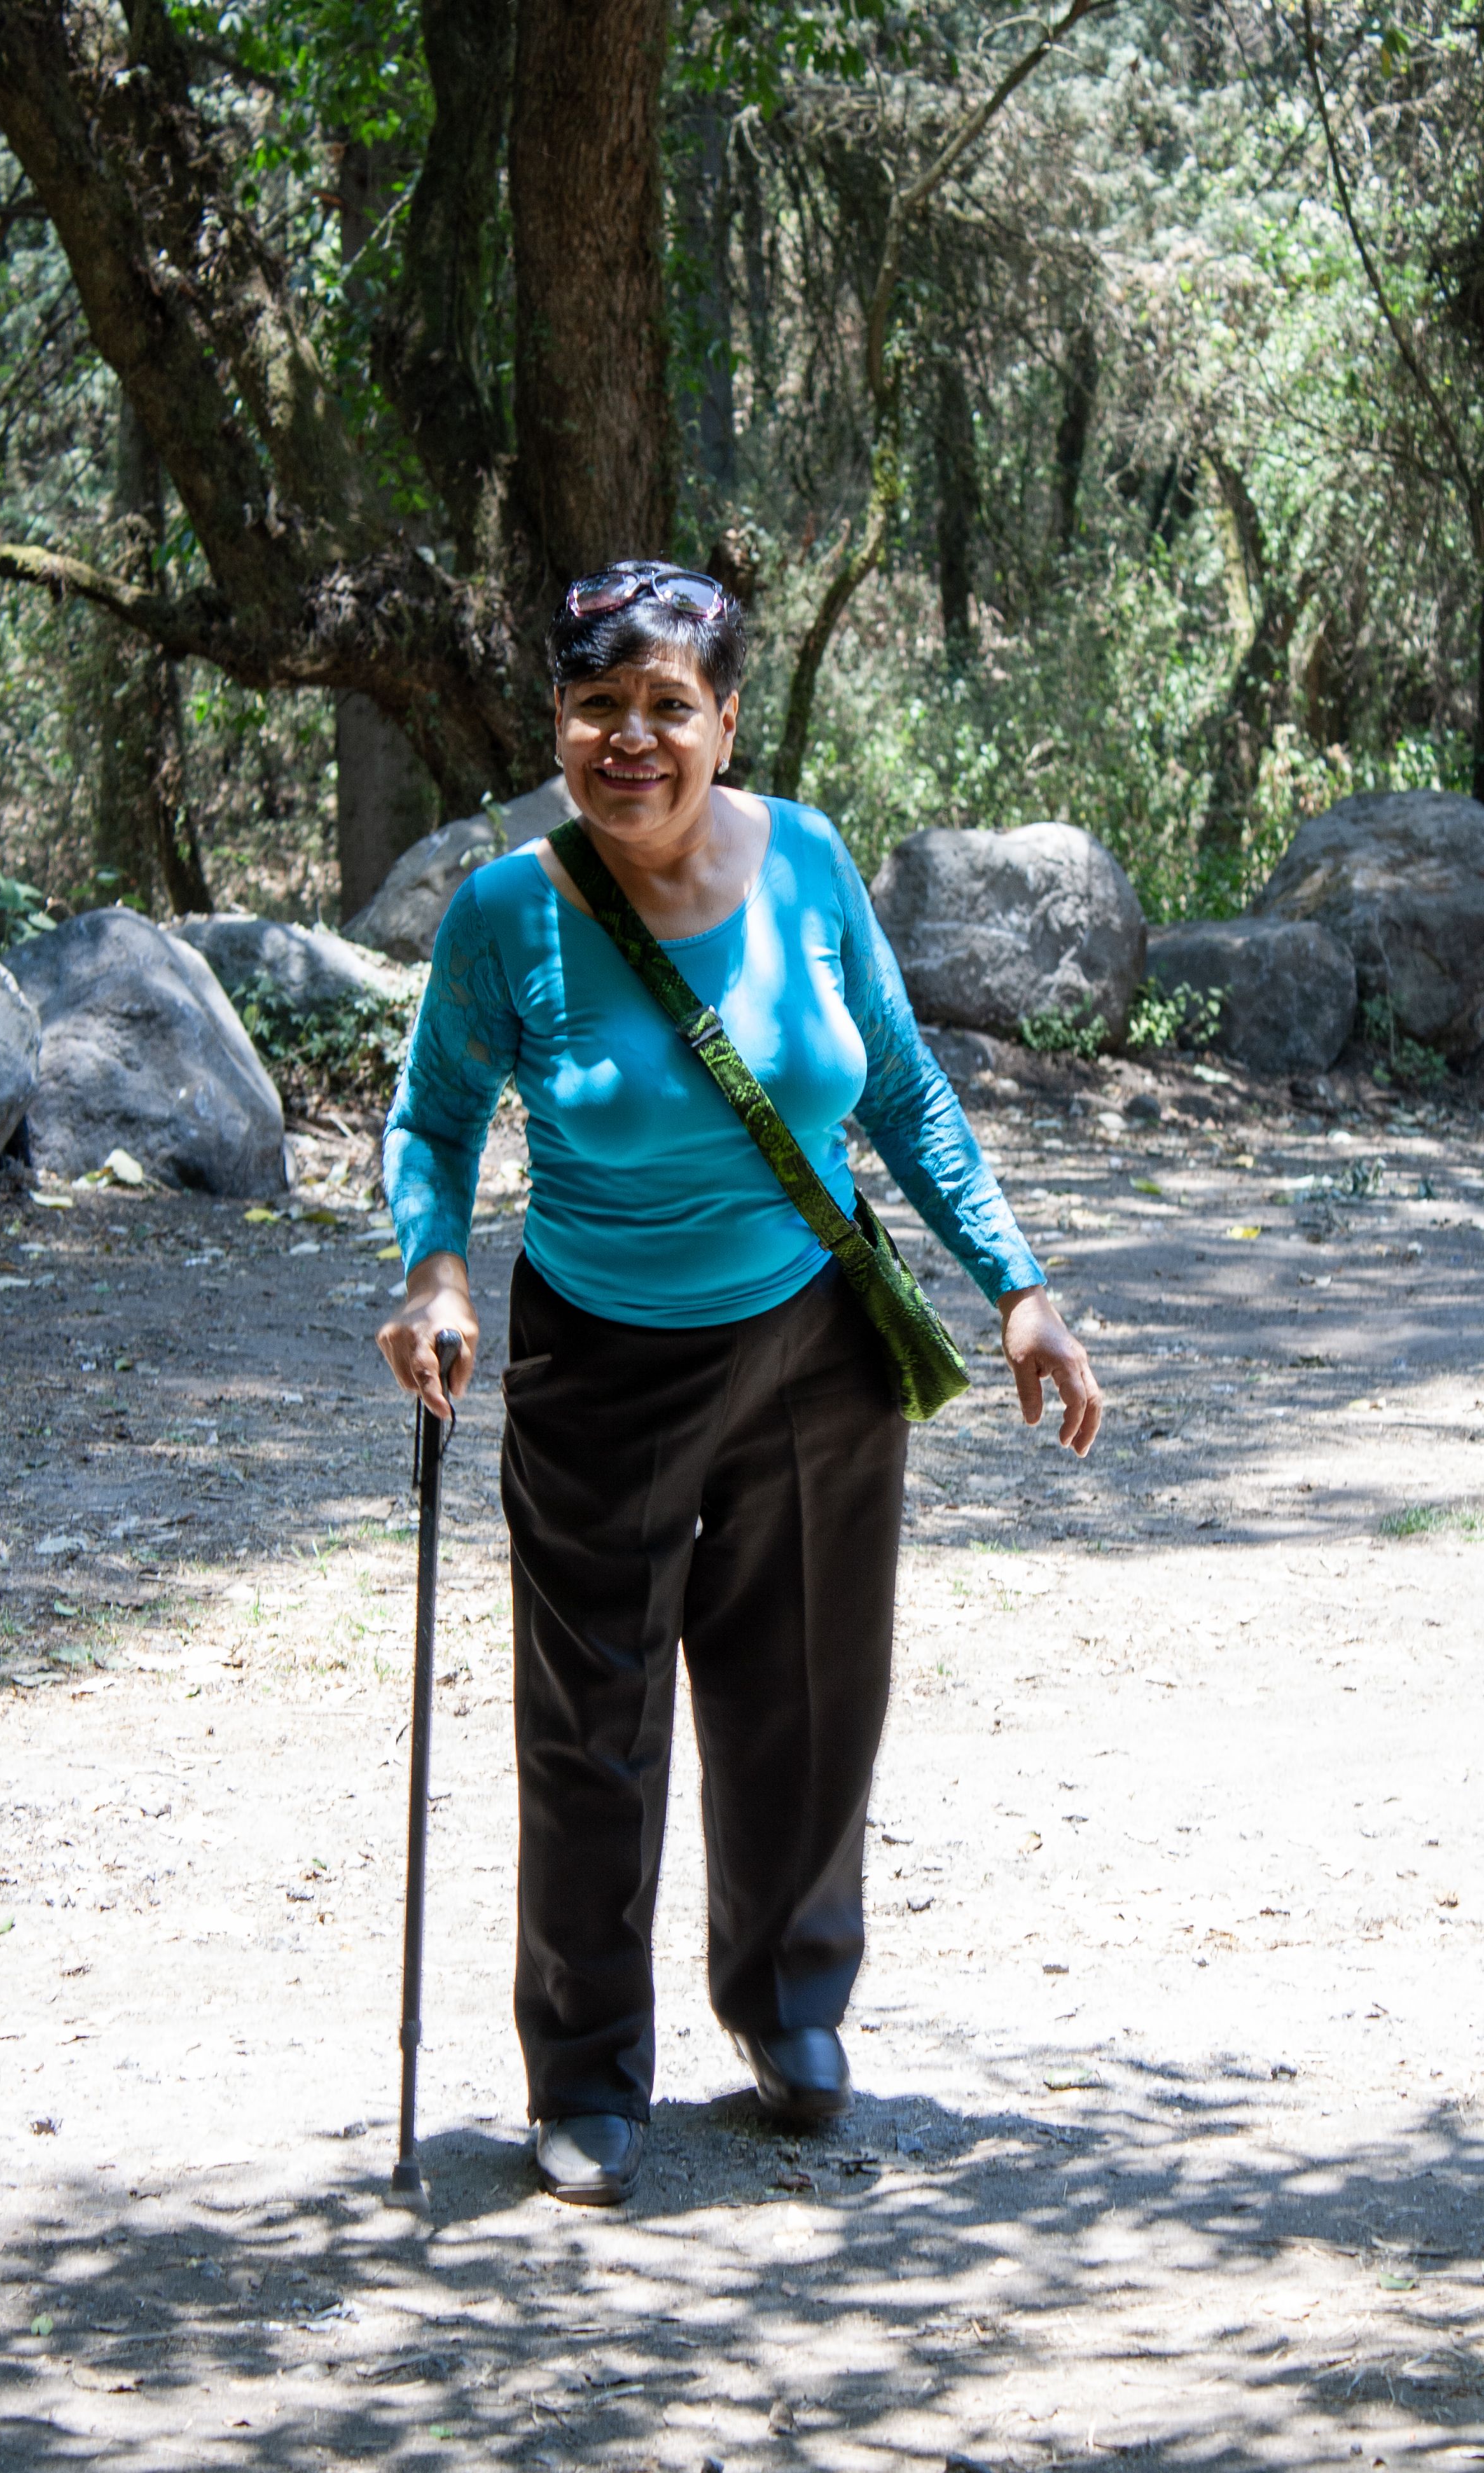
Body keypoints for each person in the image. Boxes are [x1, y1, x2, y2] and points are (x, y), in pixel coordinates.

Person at [377, 558, 1101, 2208]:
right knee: (592, 1725)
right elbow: (432, 1122)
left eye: (666, 707)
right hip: (598, 1362)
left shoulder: (812, 862)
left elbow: (904, 1091)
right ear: (555, 720)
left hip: (813, 1344)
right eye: (594, 707)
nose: (630, 739)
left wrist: (1018, 1289)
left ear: (724, 718)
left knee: (807, 1694)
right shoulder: (508, 916)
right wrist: (433, 1267)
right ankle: (585, 2073)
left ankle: (790, 2012)